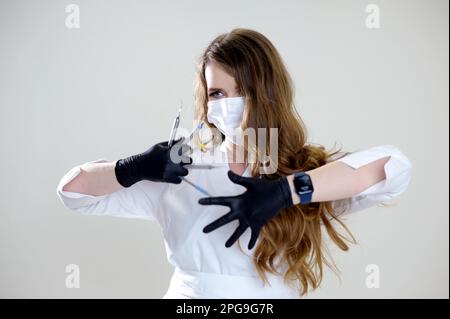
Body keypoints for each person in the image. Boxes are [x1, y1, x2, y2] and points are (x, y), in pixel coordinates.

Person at [56, 28, 412, 298]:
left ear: (269, 92)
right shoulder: (182, 170)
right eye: (217, 94)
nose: (228, 104)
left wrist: (286, 192)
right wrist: (131, 168)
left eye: (243, 90)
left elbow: (394, 168)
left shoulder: (306, 171)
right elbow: (73, 192)